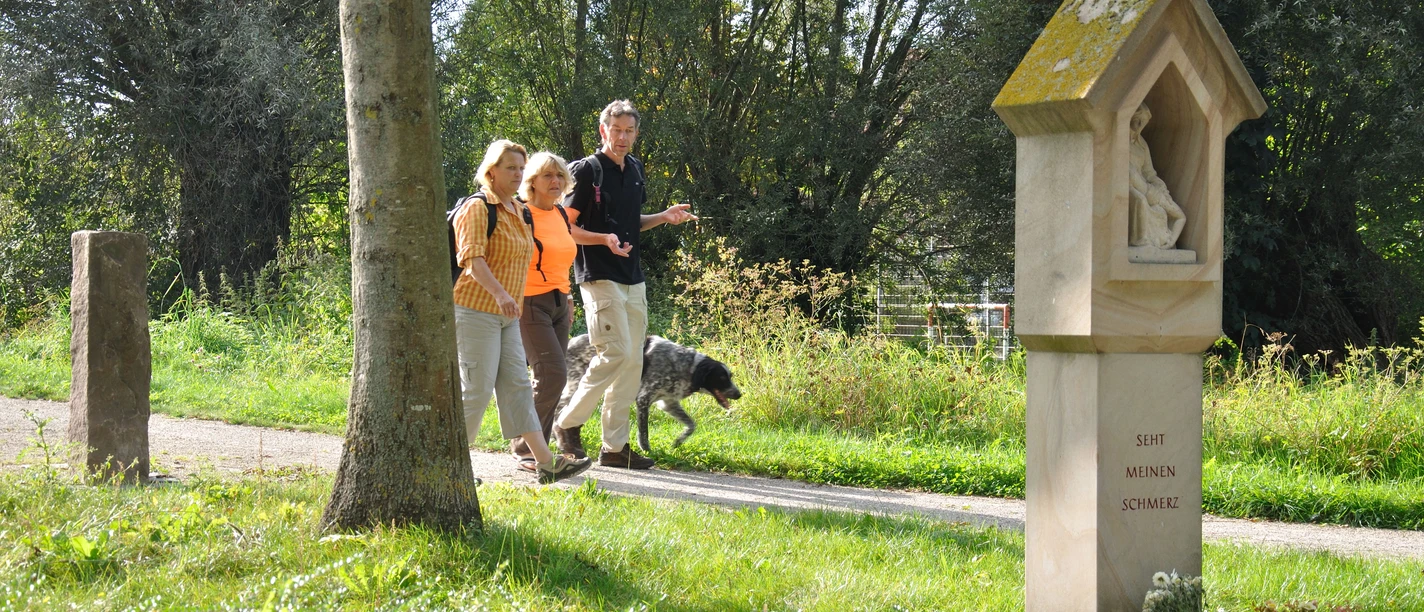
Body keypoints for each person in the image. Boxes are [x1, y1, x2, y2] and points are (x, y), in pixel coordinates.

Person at [551, 100, 696, 469]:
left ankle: (614, 449)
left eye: (629, 131)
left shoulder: (634, 168)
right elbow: (565, 226)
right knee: (614, 353)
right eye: (616, 130)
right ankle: (567, 424)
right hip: (598, 275)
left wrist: (663, 217)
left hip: (633, 277)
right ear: (603, 131)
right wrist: (604, 240)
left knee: (632, 362)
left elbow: (632, 222)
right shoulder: (586, 171)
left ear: (636, 133)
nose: (622, 137)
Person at [452, 139, 592, 484]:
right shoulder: (478, 207)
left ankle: (545, 463)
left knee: (516, 385)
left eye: (519, 167)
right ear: (491, 172)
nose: (517, 174)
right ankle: (454, 469)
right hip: (474, 309)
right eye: (510, 168)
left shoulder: (517, 209)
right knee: (477, 390)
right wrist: (501, 294)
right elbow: (471, 257)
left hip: (507, 314)